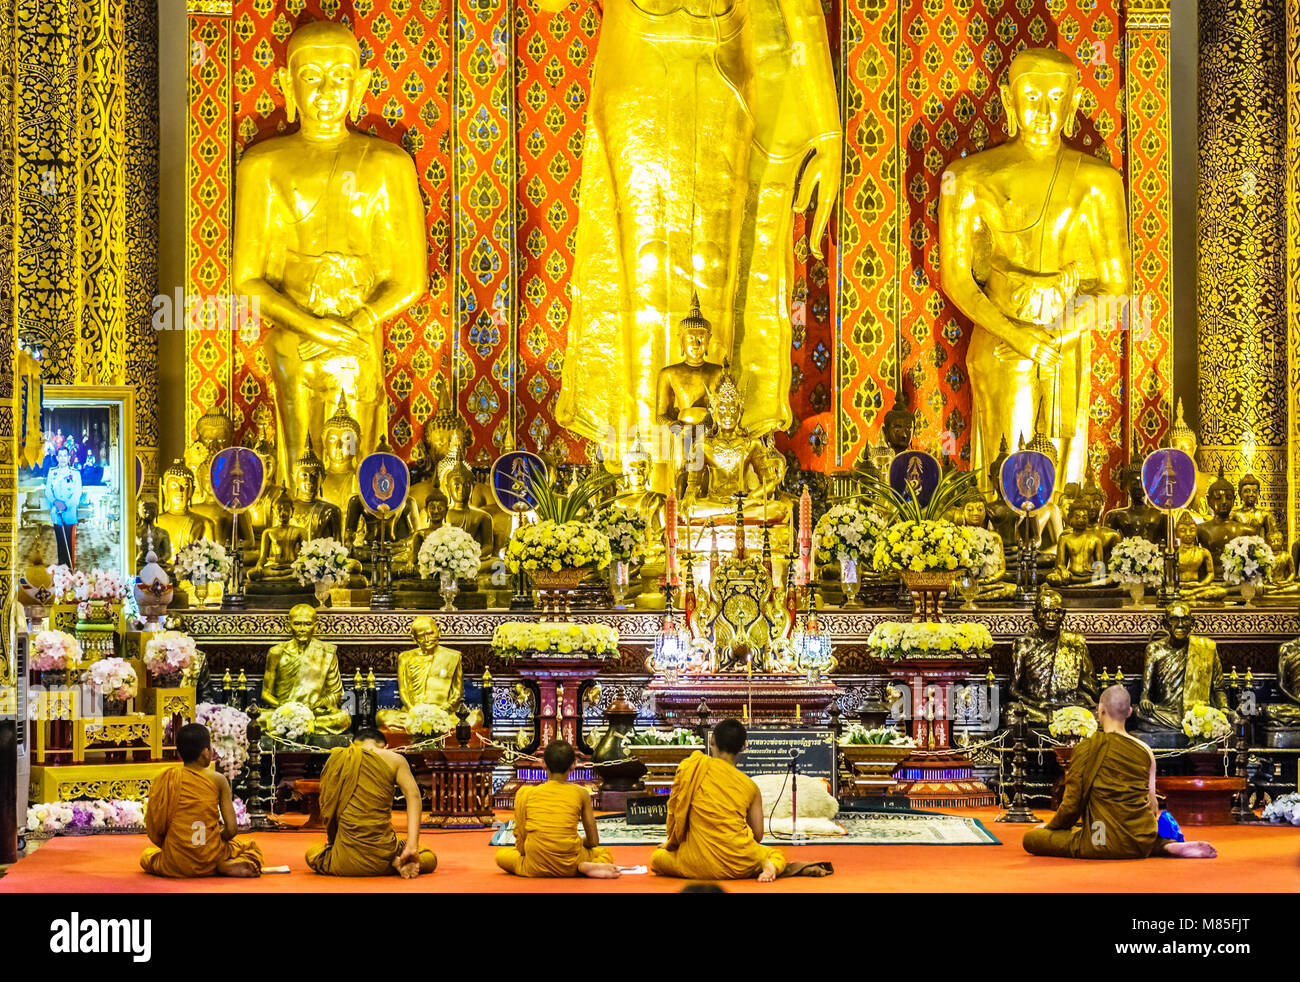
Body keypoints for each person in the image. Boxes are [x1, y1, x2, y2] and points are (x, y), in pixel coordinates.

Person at [1022, 686, 1218, 860]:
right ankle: (1164, 846)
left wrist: (1051, 827)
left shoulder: (1087, 748)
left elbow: (1072, 805)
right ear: (1130, 712)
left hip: (1100, 840)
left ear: (1100, 710)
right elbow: (1153, 805)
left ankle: (1154, 845)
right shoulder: (1145, 751)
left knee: (1032, 838)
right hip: (1141, 840)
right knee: (1122, 831)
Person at [651, 719, 787, 882]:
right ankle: (770, 865)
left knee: (657, 858)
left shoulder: (691, 767)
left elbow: (676, 814)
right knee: (774, 855)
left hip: (692, 862)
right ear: (743, 747)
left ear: (712, 740)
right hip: (737, 864)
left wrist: (672, 843)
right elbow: (757, 836)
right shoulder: (750, 786)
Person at [305, 727, 437, 878]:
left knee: (312, 852)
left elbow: (327, 807)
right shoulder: (394, 759)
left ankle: (387, 861)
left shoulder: (338, 758)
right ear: (387, 747)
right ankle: (397, 863)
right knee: (428, 857)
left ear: (352, 744)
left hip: (343, 862)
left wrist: (334, 842)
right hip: (384, 856)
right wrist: (412, 847)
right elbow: (414, 797)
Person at [139, 724, 263, 878]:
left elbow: (154, 830)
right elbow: (231, 830)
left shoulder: (165, 779)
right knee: (250, 849)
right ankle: (223, 865)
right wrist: (216, 837)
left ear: (179, 753)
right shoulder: (218, 779)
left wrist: (174, 845)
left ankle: (188, 858)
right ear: (206, 753)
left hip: (175, 863)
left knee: (147, 857)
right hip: (210, 858)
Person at [496, 740, 619, 879]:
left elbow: (521, 846)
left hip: (534, 865)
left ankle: (579, 865)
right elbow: (593, 841)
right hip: (571, 864)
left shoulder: (526, 793)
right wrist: (576, 841)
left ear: (543, 764)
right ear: (573, 765)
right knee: (604, 853)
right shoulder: (581, 793)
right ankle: (582, 867)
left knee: (501, 856)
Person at [45, 444, 81, 566]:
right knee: (60, 543)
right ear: (57, 458)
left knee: (69, 545)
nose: (63, 458)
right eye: (60, 456)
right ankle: (61, 570)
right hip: (56, 514)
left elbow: (77, 493)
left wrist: (65, 505)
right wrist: (56, 502)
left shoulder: (75, 473)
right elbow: (48, 491)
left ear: (69, 457)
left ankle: (70, 570)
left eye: (65, 456)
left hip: (69, 514)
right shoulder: (52, 472)